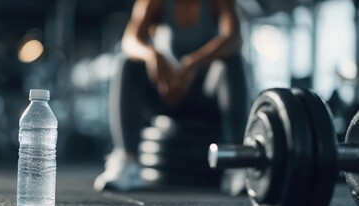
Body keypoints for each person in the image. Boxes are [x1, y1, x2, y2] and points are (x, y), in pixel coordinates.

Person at [94, 0, 248, 191]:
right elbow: (129, 41)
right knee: (127, 63)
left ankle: (236, 165)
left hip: (207, 97)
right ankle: (128, 161)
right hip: (165, 92)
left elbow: (234, 38)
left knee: (232, 60)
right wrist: (152, 55)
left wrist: (191, 63)